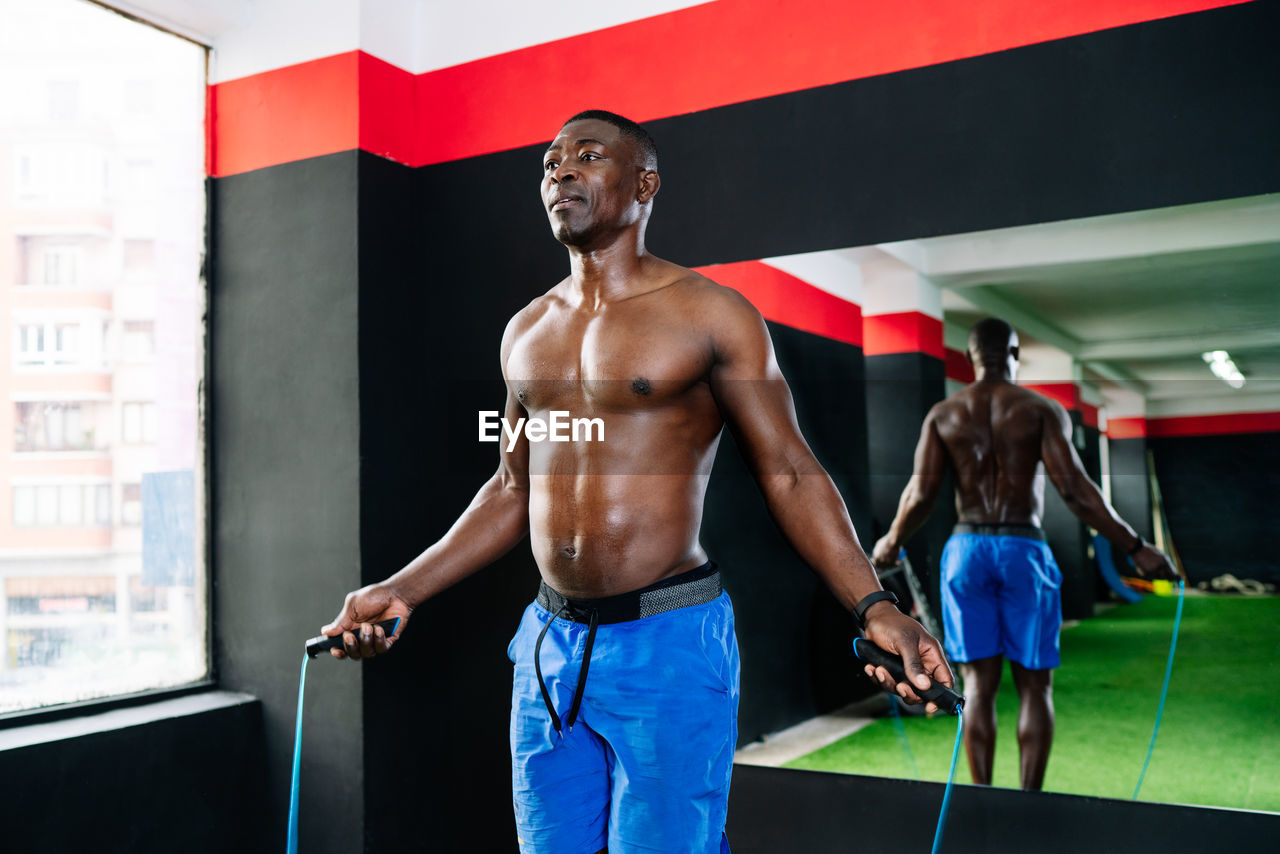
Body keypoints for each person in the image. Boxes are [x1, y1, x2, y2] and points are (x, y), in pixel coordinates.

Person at [320, 109, 953, 854]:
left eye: (586, 156)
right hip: (550, 648)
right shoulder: (525, 330)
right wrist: (400, 589)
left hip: (669, 642)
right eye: (549, 162)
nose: (559, 172)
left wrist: (872, 604)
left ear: (644, 183)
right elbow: (511, 488)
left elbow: (788, 470)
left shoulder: (711, 315)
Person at [870, 317, 1178, 791]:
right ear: (1014, 355)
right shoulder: (1039, 409)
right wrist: (1134, 547)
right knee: (1036, 686)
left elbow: (919, 495)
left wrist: (890, 540)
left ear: (971, 357)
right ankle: (1029, 800)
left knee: (976, 687)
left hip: (966, 550)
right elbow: (1076, 493)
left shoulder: (945, 413)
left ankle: (983, 800)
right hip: (1022, 549)